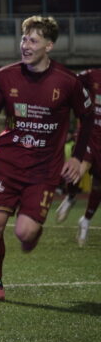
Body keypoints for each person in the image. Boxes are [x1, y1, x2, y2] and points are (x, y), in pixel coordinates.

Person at [0, 16, 93, 303]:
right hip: (9, 160)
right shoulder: (6, 75)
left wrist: (78, 158)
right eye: (24, 39)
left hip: (44, 168)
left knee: (24, 233)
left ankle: (32, 233)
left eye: (33, 41)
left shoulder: (68, 82)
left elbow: (88, 119)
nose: (25, 46)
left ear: (49, 45)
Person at [73, 68, 101, 246]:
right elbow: (72, 81)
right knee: (81, 168)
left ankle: (86, 220)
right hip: (91, 134)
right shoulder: (93, 75)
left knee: (98, 185)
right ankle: (68, 196)